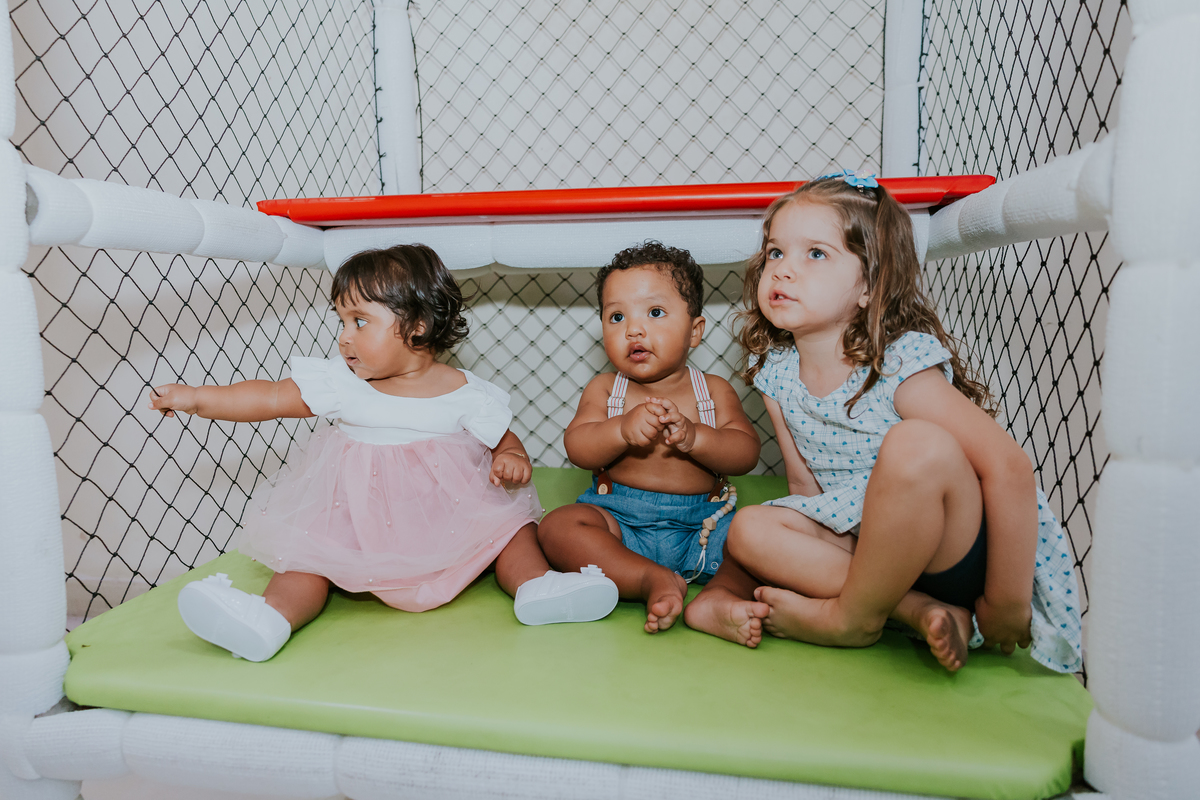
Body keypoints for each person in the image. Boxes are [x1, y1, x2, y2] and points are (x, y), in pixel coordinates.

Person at [683, 173, 1082, 674]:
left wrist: (1006, 603)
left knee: (914, 444)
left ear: (870, 286)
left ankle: (850, 619)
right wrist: (787, 555)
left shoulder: (898, 365)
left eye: (816, 254)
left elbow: (1008, 467)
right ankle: (915, 611)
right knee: (749, 529)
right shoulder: (776, 373)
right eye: (775, 253)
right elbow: (806, 489)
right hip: (869, 549)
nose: (782, 271)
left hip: (952, 549)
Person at [149, 245, 618, 662]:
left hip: (448, 522)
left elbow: (504, 438)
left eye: (360, 321)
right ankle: (269, 619)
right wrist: (196, 398)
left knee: (512, 529)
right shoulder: (342, 384)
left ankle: (536, 587)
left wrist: (509, 457)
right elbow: (270, 398)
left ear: (416, 326)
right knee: (308, 559)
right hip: (358, 522)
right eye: (342, 321)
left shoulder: (466, 393)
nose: (345, 336)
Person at [537, 242, 761, 634]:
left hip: (704, 528)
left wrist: (696, 438)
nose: (634, 329)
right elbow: (578, 447)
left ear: (694, 332)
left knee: (758, 536)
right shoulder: (606, 389)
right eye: (617, 316)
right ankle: (645, 578)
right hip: (621, 528)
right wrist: (621, 429)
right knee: (558, 526)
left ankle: (719, 596)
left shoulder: (712, 390)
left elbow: (745, 453)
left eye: (655, 313)